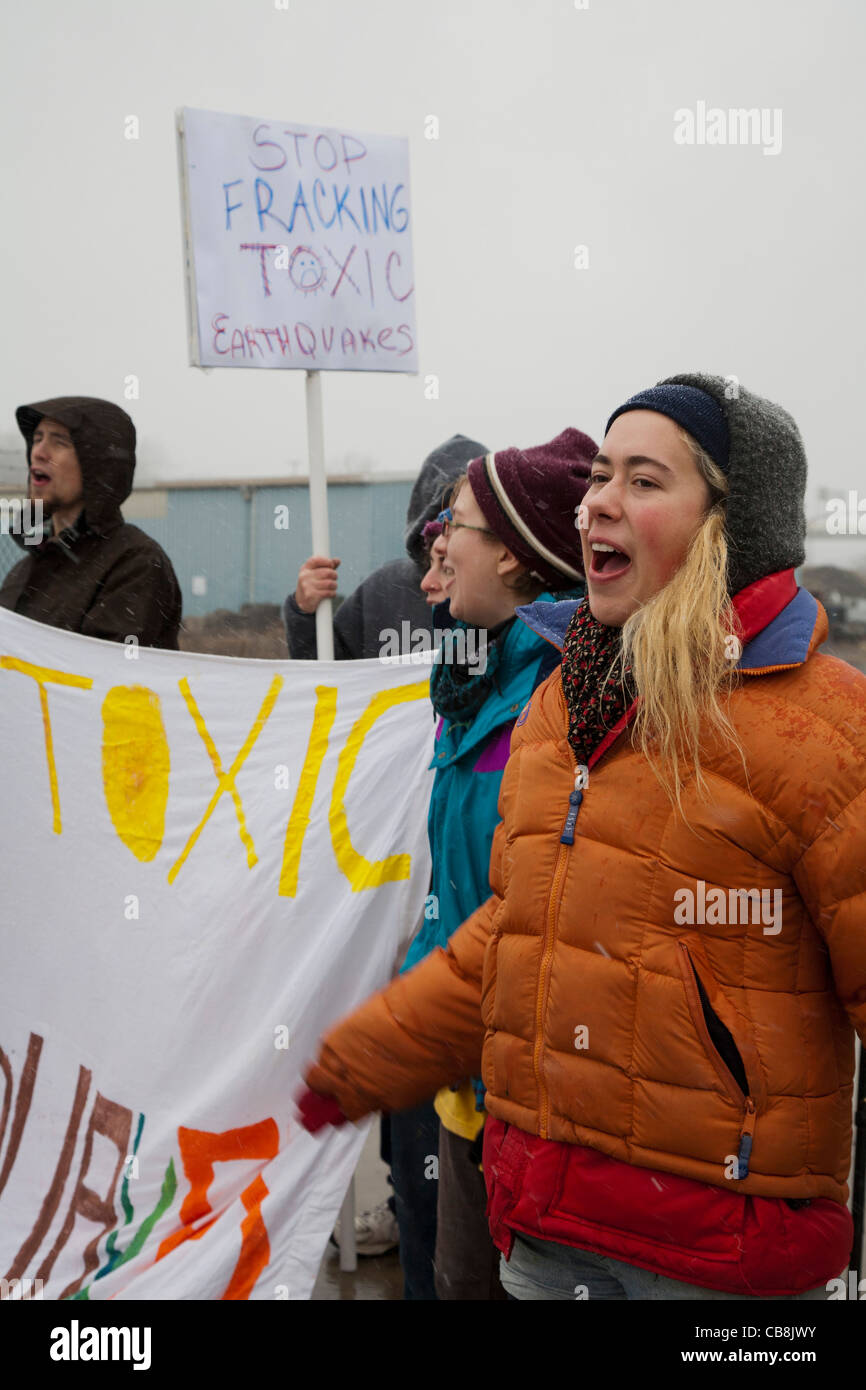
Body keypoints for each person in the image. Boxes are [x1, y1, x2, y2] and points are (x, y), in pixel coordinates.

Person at [298, 374, 866, 1300]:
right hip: (547, 1238)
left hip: (722, 1263)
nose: (599, 498)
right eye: (601, 475)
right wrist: (362, 1058)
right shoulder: (566, 705)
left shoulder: (825, 727)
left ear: (732, 523)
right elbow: (514, 932)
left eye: (644, 480)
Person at [313, 428, 598, 1299]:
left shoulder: (567, 702)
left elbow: (536, 917)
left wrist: (399, 1031)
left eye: (456, 527)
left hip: (542, 1104)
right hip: (465, 1092)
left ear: (515, 558)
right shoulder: (469, 686)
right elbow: (462, 894)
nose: (435, 547)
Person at [283, 434, 486, 659]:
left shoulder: (514, 605)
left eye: (467, 516)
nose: (451, 531)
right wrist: (304, 614)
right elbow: (329, 677)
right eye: (445, 515)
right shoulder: (383, 592)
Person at [0, 397, 181, 649]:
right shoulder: (22, 572)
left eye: (59, 441)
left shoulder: (135, 562)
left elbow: (107, 677)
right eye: (37, 438)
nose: (38, 452)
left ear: (98, 465)